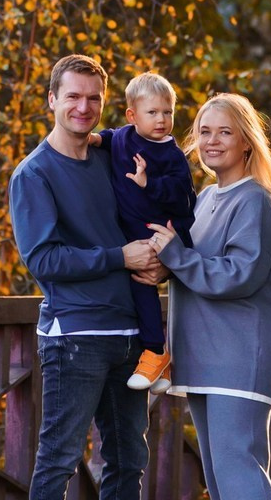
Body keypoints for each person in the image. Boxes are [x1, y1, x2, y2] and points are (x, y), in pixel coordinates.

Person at [9, 53, 164, 500]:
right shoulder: (34, 174)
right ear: (52, 100)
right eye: (73, 96)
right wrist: (120, 258)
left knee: (129, 461)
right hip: (75, 336)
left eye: (93, 98)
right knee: (59, 460)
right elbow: (44, 260)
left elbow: (143, 213)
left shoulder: (110, 157)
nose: (83, 106)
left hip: (131, 334)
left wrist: (158, 258)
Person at [146, 92, 271, 500]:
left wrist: (176, 255)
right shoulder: (209, 197)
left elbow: (239, 275)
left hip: (239, 357)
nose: (212, 140)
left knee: (238, 473)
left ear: (246, 141)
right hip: (203, 356)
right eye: (205, 131)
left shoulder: (254, 201)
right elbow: (191, 265)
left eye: (225, 132)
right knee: (219, 479)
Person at [91, 70, 197, 392]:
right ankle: (161, 369)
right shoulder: (124, 136)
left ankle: (154, 351)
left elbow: (184, 195)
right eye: (153, 113)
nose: (162, 120)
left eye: (168, 112)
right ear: (132, 115)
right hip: (130, 230)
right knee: (134, 289)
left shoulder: (171, 155)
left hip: (158, 231)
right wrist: (95, 139)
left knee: (143, 287)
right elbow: (110, 137)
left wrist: (149, 183)